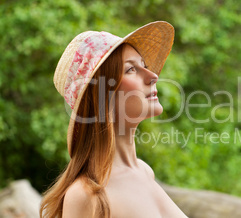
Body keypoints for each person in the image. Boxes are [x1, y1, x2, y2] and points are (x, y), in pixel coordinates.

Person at [40, 21, 188, 218]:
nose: (153, 76)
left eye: (144, 65)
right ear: (101, 95)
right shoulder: (87, 196)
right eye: (131, 69)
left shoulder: (144, 171)